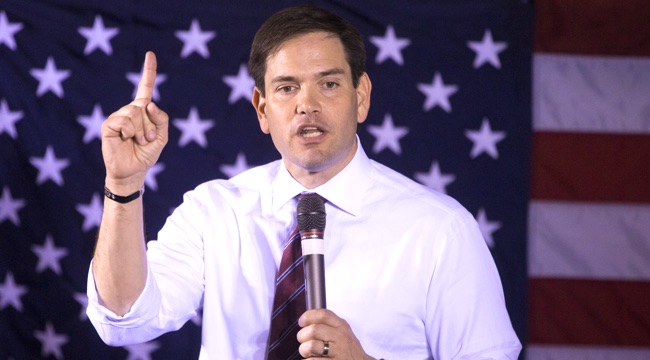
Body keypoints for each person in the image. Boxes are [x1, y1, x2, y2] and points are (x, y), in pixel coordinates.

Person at [87, 5, 521, 359]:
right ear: (261, 108)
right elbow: (124, 320)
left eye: (329, 84)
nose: (306, 105)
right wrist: (123, 183)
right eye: (286, 88)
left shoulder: (439, 229)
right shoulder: (213, 212)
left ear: (361, 96)